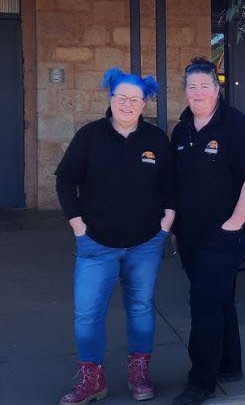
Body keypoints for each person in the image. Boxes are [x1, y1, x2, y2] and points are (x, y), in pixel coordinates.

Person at [55, 68, 175, 404]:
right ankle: (92, 379)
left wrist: (167, 221)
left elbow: (170, 184)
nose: (127, 104)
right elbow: (65, 180)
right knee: (87, 313)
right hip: (96, 244)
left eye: (134, 99)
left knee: (140, 308)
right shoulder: (89, 136)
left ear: (144, 103)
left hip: (145, 242)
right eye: (121, 97)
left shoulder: (156, 139)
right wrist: (77, 223)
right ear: (110, 98)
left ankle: (140, 372)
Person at [171, 58, 245, 405]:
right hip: (190, 235)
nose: (198, 93)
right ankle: (229, 363)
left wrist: (234, 224)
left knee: (203, 302)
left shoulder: (235, 125)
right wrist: (175, 228)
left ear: (217, 90)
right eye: (192, 87)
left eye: (205, 86)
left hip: (226, 233)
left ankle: (201, 382)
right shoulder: (181, 130)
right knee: (219, 298)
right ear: (184, 92)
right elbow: (178, 183)